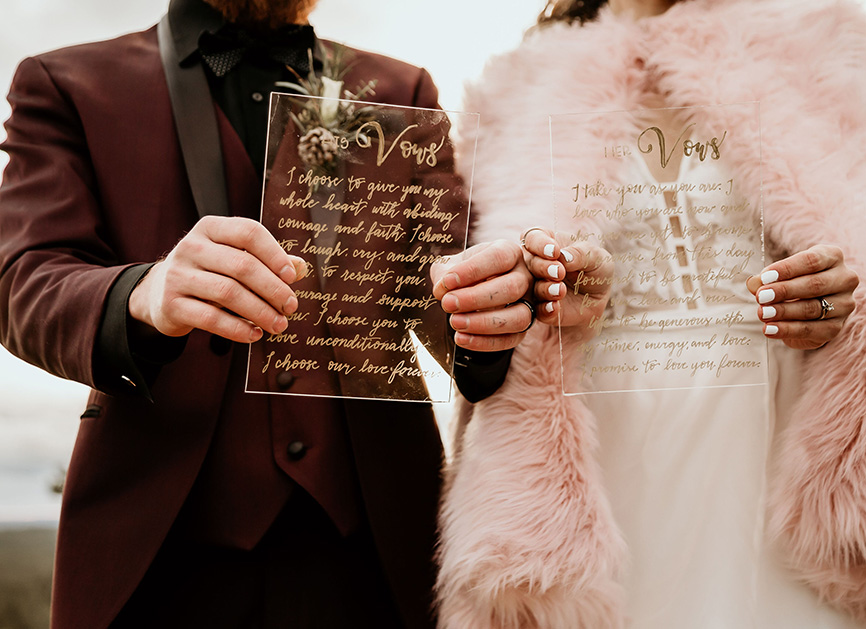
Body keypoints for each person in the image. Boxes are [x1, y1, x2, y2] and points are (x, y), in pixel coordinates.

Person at [0, 0, 534, 627]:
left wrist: (491, 308)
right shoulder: (64, 83)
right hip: (162, 544)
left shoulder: (401, 91)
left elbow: (445, 286)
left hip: (375, 542)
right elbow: (23, 277)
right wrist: (143, 293)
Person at [436, 0, 866, 628]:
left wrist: (847, 302)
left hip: (784, 453)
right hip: (604, 458)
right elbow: (474, 323)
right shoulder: (516, 87)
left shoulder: (836, 46)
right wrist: (537, 291)